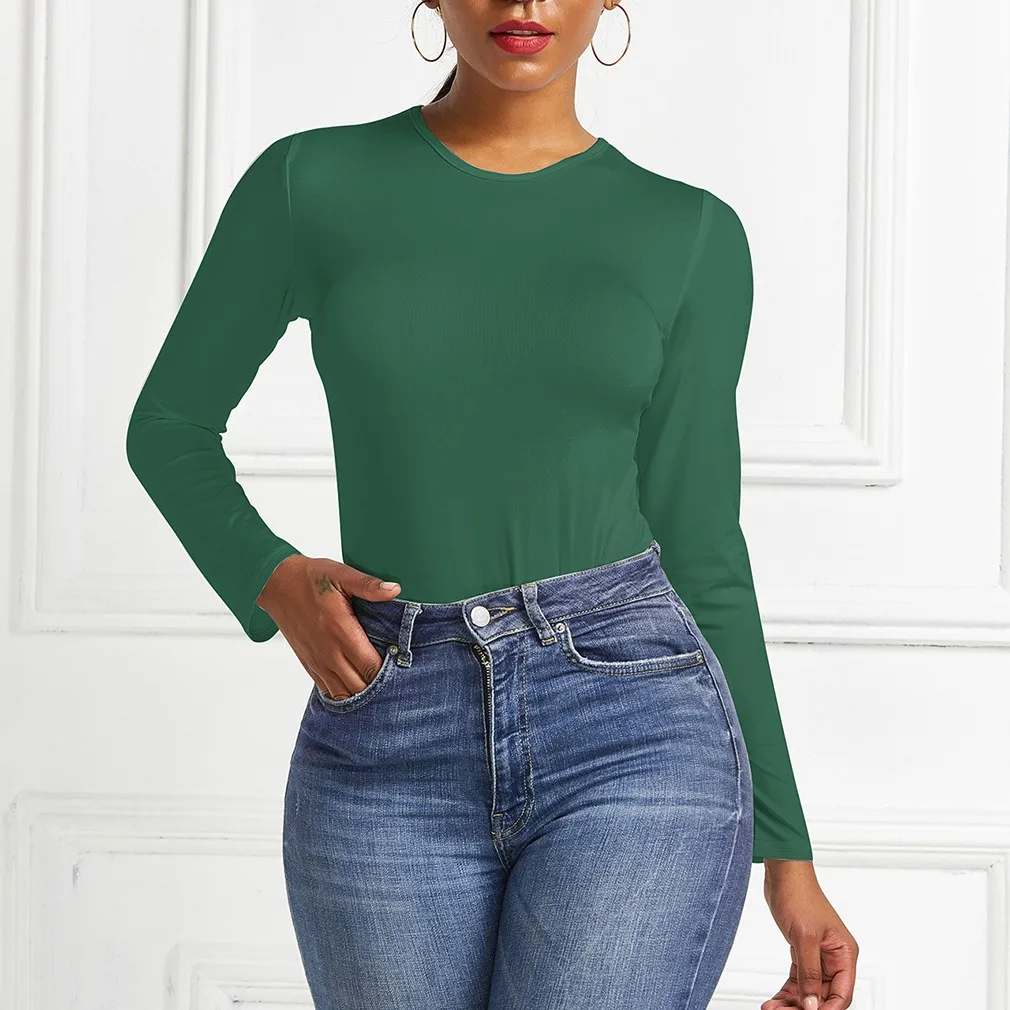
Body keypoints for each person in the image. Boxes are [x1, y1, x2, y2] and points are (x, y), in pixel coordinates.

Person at [125, 2, 858, 1007]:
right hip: (385, 726)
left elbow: (699, 542)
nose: (523, 3)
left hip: (634, 722)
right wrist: (270, 577)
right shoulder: (312, 184)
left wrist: (788, 854)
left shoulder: (687, 234)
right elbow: (168, 424)